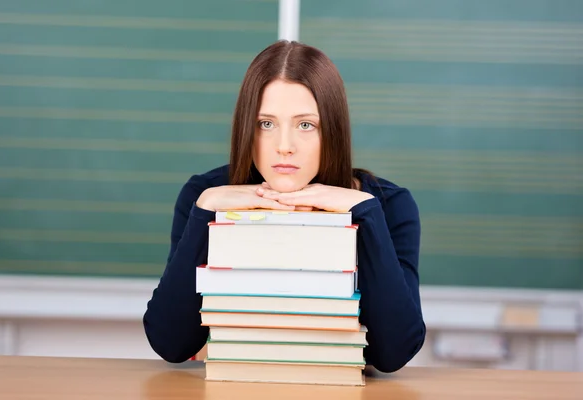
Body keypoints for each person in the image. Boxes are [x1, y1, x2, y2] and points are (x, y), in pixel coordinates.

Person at [143, 40, 426, 373]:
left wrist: (366, 215)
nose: (284, 147)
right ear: (246, 127)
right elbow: (171, 344)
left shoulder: (388, 206)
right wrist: (204, 213)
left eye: (306, 125)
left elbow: (394, 354)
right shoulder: (204, 195)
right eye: (266, 124)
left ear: (331, 131)